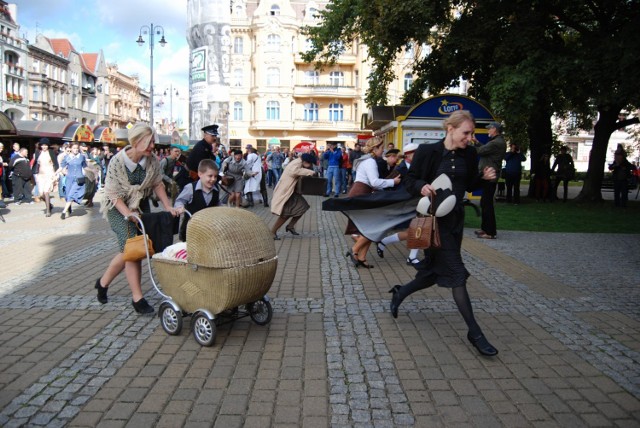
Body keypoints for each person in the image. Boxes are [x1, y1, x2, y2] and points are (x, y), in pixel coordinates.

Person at [388, 110, 499, 357]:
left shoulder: (469, 153)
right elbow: (410, 180)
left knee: (433, 271)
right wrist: (421, 186)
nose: (470, 138)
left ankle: (400, 292)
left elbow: (469, 184)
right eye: (466, 133)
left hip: (455, 220)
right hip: (433, 221)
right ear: (450, 129)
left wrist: (485, 178)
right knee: (456, 273)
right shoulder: (428, 152)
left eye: (471, 133)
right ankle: (475, 333)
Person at [97, 123, 178, 314]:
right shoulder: (118, 162)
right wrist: (128, 214)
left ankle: (102, 283)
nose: (153, 146)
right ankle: (137, 298)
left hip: (140, 204)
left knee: (130, 250)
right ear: (137, 141)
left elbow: (157, 183)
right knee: (134, 248)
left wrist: (168, 207)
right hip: (118, 208)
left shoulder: (151, 160)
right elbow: (113, 194)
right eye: (149, 142)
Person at [345, 137, 401, 268]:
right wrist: (393, 182)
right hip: (361, 194)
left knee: (371, 228)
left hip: (361, 193)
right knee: (372, 228)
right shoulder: (370, 161)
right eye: (381, 148)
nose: (383, 150)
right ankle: (354, 250)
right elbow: (374, 182)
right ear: (374, 148)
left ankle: (361, 257)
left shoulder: (367, 160)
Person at [375, 143, 422, 265]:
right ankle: (383, 241)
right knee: (415, 231)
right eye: (415, 154)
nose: (418, 156)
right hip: (402, 205)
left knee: (417, 230)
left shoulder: (419, 168)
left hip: (416, 203)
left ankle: (410, 256)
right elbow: (385, 185)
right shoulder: (399, 169)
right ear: (407, 155)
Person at [270, 153, 318, 239]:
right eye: (310, 164)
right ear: (306, 161)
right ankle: (272, 232)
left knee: (303, 207)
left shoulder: (299, 163)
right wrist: (311, 172)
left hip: (291, 192)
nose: (310, 166)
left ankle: (290, 226)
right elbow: (294, 172)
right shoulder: (296, 163)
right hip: (286, 192)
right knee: (285, 214)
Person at [474, 122, 505, 240]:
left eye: (489, 129)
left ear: (495, 129)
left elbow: (480, 151)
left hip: (490, 176)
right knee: (484, 203)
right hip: (490, 175)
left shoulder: (496, 142)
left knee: (487, 204)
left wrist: (469, 144)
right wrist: (476, 142)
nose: (488, 131)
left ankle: (490, 232)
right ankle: (485, 229)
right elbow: (484, 150)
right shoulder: (497, 142)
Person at [175, 159, 220, 241]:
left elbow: (217, 204)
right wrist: (180, 207)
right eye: (210, 176)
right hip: (190, 229)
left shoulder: (216, 189)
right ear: (200, 174)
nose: (213, 179)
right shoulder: (190, 188)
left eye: (215, 176)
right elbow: (180, 200)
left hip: (208, 229)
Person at [176, 124, 219, 189]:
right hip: (187, 179)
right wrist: (219, 178)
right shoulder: (201, 147)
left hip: (194, 179)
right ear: (205, 135)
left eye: (215, 136)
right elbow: (205, 168)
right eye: (212, 136)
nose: (215, 138)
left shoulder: (207, 146)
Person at [32, 138, 59, 217]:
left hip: (49, 174)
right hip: (41, 175)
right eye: (43, 145)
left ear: (48, 146)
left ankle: (48, 211)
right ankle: (49, 205)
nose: (44, 147)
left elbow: (55, 163)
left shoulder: (51, 152)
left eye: (46, 145)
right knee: (41, 193)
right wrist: (34, 173)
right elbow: (35, 164)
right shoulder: (38, 152)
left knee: (46, 191)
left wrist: (56, 173)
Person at [59, 143, 87, 219]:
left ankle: (64, 212)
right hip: (69, 179)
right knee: (68, 195)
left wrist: (93, 172)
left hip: (78, 179)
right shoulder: (67, 157)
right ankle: (69, 206)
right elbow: (62, 167)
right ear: (71, 149)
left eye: (77, 148)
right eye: (74, 148)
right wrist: (55, 174)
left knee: (71, 194)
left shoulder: (81, 157)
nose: (76, 150)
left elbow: (85, 167)